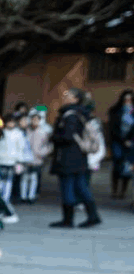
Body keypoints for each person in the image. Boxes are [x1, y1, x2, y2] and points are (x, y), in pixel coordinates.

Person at [49, 88, 101, 228]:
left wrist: (54, 137)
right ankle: (93, 215)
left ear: (76, 99)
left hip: (68, 157)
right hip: (79, 156)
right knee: (81, 186)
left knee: (68, 187)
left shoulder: (70, 115)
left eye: (68, 95)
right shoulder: (81, 113)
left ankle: (68, 220)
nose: (64, 97)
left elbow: (67, 136)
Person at [106, 89, 133, 199]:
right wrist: (122, 140)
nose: (128, 101)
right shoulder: (115, 110)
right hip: (117, 141)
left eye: (130, 99)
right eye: (125, 99)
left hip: (130, 142)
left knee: (127, 166)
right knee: (117, 162)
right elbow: (112, 127)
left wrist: (129, 140)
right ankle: (115, 190)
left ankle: (123, 191)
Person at [22, 111, 51, 204]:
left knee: (34, 178)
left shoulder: (43, 132)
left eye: (36, 120)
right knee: (25, 177)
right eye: (33, 119)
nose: (34, 121)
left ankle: (31, 196)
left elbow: (47, 145)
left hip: (37, 159)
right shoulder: (26, 131)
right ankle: (23, 196)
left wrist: (41, 153)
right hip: (25, 158)